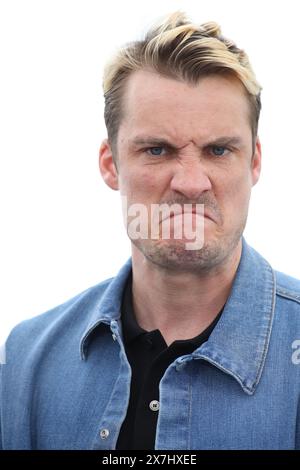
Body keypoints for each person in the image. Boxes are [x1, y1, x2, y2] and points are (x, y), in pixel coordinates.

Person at [1, 10, 300, 451]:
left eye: (218, 150)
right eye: (157, 150)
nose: (191, 182)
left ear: (254, 162)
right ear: (111, 163)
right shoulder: (27, 360)